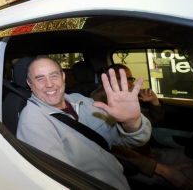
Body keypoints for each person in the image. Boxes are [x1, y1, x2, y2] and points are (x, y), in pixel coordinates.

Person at [16, 55, 152, 190]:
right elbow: (58, 182)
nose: (49, 84)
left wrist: (131, 123)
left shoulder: (82, 101)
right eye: (40, 79)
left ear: (63, 77)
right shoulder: (33, 122)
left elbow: (131, 140)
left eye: (54, 76)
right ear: (30, 84)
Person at [92, 64, 193, 189]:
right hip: (136, 164)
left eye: (130, 79)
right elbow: (113, 149)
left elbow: (155, 123)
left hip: (149, 153)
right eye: (121, 78)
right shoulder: (98, 104)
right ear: (107, 79)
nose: (129, 83)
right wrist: (161, 170)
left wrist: (154, 102)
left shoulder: (125, 99)